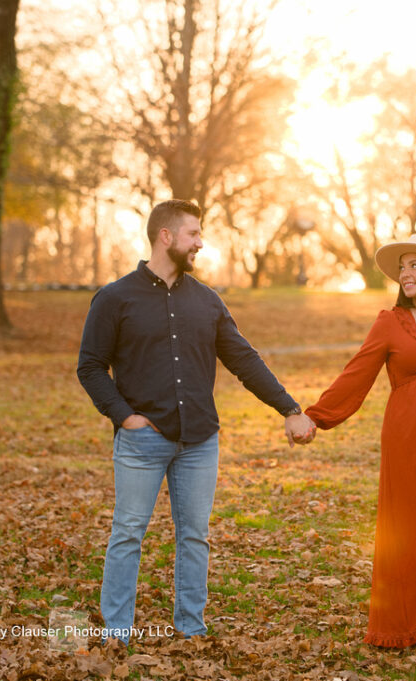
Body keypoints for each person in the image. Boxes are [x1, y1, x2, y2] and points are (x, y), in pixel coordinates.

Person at [76, 199, 315, 642]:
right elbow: (90, 366)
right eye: (193, 234)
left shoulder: (206, 300)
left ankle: (190, 628)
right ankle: (117, 634)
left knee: (194, 537)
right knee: (128, 534)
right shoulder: (115, 298)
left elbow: (244, 359)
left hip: (200, 441)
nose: (201, 243)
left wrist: (289, 407)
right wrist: (124, 417)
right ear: (165, 236)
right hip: (142, 441)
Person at [299, 233, 416, 648]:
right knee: (411, 528)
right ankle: (401, 624)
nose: (404, 273)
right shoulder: (391, 322)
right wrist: (315, 417)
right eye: (402, 267)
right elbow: (357, 375)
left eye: (414, 265)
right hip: (409, 439)